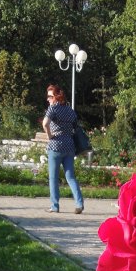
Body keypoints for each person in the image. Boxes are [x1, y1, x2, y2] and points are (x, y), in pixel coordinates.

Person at [42, 85, 84, 214]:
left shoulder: (53, 109)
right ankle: (79, 203)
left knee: (53, 177)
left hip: (55, 146)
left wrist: (49, 135)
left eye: (50, 96)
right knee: (70, 177)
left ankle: (55, 206)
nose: (48, 99)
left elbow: (45, 123)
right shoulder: (69, 110)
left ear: (56, 97)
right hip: (69, 145)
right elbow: (75, 126)